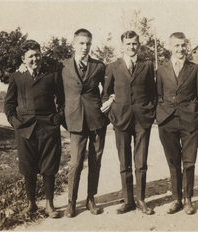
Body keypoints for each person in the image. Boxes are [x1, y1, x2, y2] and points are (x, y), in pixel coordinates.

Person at [4, 39, 64, 218]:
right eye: (30, 56)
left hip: (48, 127)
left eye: (37, 55)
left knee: (49, 166)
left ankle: (49, 204)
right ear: (23, 59)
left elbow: (62, 100)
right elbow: (9, 104)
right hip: (25, 129)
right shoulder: (17, 77)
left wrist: (58, 118)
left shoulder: (52, 74)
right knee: (28, 167)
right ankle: (31, 204)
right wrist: (15, 123)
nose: (35, 59)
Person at [101, 30, 157, 215]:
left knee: (141, 162)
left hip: (142, 120)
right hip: (121, 120)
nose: (131, 47)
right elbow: (105, 95)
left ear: (138, 45)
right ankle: (128, 201)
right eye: (128, 44)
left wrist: (150, 112)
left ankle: (141, 199)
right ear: (122, 46)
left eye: (134, 43)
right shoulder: (112, 67)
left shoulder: (147, 65)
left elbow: (153, 92)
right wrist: (112, 115)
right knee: (124, 163)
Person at [156, 32, 198, 215]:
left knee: (189, 162)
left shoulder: (196, 69)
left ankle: (188, 200)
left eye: (182, 45)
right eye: (176, 46)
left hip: (190, 123)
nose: (180, 49)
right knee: (173, 162)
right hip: (167, 122)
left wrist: (197, 116)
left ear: (187, 46)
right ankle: (176, 199)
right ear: (170, 47)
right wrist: (160, 117)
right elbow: (158, 96)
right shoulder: (161, 70)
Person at [61, 29, 109, 217]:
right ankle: (71, 202)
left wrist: (107, 105)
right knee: (76, 163)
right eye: (81, 43)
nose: (84, 47)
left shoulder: (99, 66)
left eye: (88, 43)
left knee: (96, 161)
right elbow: (57, 93)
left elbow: (108, 90)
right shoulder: (62, 67)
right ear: (73, 44)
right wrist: (63, 116)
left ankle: (91, 199)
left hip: (96, 120)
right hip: (74, 121)